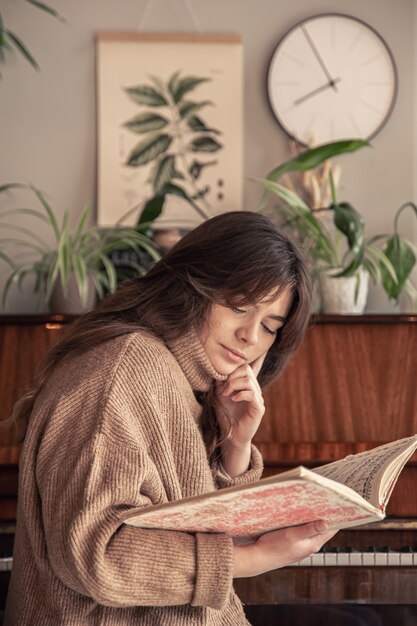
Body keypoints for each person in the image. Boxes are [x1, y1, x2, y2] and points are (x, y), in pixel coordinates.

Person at [4, 211, 336, 626]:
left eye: (270, 326)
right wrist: (254, 558)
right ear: (191, 284)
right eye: (238, 307)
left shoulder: (185, 380)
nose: (251, 337)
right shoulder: (123, 370)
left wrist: (235, 444)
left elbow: (189, 519)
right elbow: (95, 554)